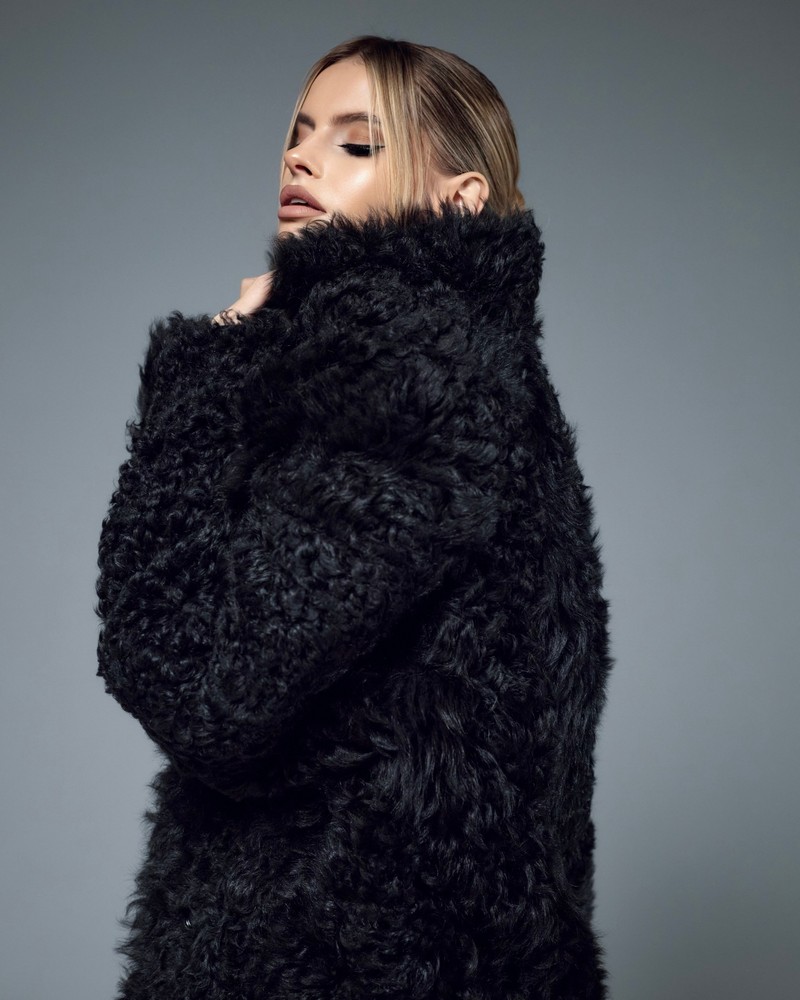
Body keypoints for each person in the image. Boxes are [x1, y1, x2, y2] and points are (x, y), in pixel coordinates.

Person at [95, 33, 613, 1000]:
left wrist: (197, 387)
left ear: (460, 197)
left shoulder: (405, 373)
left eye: (357, 143)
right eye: (298, 134)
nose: (300, 159)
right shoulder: (472, 367)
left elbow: (195, 683)